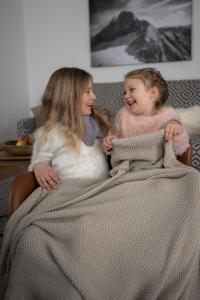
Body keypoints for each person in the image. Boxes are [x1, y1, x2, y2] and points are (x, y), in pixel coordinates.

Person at [28, 67, 110, 191]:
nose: (94, 96)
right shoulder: (50, 132)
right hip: (69, 192)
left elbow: (106, 152)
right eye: (88, 92)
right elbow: (39, 158)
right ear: (68, 97)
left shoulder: (97, 123)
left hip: (101, 188)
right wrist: (39, 166)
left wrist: (109, 146)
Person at [102, 67, 189, 156]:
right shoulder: (123, 115)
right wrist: (110, 142)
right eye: (124, 92)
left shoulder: (168, 116)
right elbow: (115, 138)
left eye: (132, 90)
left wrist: (175, 129)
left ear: (153, 92)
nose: (126, 95)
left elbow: (179, 146)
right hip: (130, 164)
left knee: (188, 171)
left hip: (160, 165)